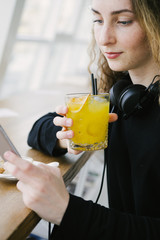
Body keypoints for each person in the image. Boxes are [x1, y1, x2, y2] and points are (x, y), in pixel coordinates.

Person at [4, 0, 160, 239]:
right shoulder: (123, 98)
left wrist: (65, 210)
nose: (104, 38)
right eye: (98, 20)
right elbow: (39, 129)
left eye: (124, 21)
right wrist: (66, 137)